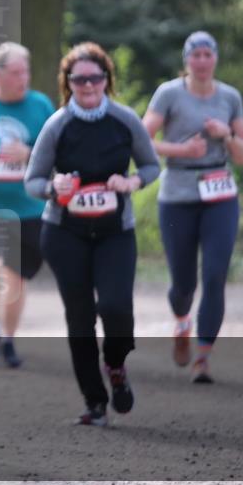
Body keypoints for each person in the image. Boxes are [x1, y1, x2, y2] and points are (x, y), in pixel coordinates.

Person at [24, 43, 160, 426]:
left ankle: (115, 365)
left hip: (116, 231)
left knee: (116, 308)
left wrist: (131, 180)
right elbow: (32, 181)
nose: (87, 84)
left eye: (95, 77)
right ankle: (94, 401)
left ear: (106, 80)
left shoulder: (124, 119)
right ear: (68, 82)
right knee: (79, 318)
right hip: (65, 232)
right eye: (79, 78)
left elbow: (152, 166)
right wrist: (55, 187)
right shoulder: (58, 124)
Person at [142, 31, 243, 384]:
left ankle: (203, 357)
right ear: (186, 60)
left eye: (208, 54)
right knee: (183, 283)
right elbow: (143, 138)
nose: (202, 61)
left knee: (216, 275)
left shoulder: (230, 97)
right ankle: (182, 322)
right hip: (177, 194)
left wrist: (225, 135)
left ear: (215, 58)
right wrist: (181, 151)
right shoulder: (169, 93)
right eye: (196, 55)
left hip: (220, 192)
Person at [0, 42, 55, 368]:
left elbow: (57, 150)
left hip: (30, 208)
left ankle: (8, 339)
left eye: (27, 71)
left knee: (17, 278)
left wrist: (30, 154)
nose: (25, 77)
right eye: (17, 72)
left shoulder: (40, 104)